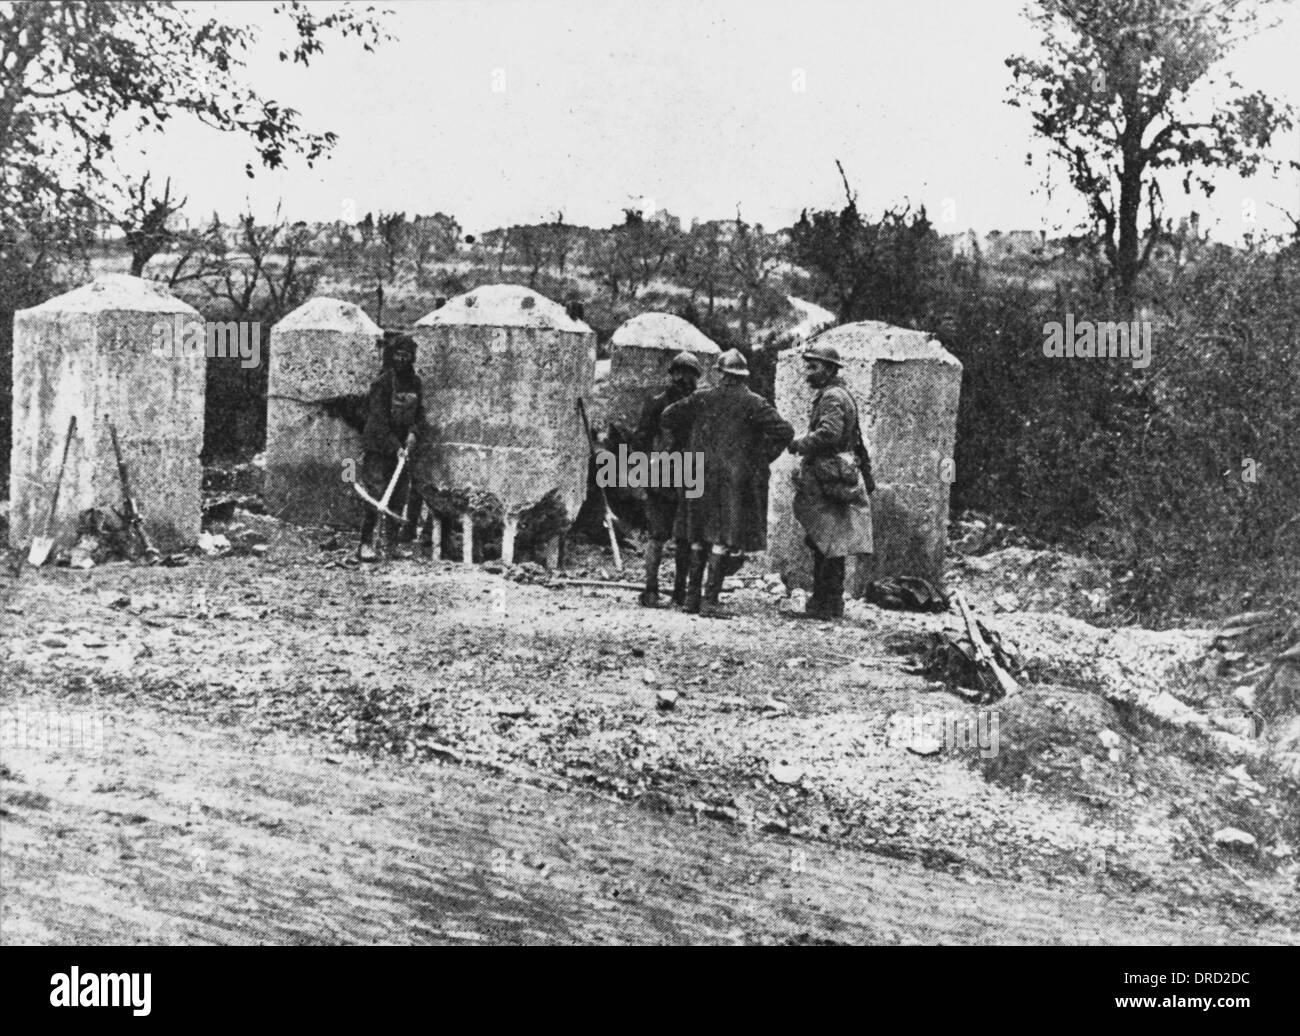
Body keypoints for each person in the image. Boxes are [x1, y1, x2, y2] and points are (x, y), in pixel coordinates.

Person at [660, 348, 793, 617]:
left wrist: (691, 442)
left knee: (697, 535)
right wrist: (761, 457)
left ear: (720, 373)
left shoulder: (701, 398)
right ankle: (710, 601)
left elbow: (667, 417)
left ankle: (691, 600)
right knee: (721, 537)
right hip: (732, 479)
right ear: (743, 376)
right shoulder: (754, 403)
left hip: (697, 473)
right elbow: (785, 431)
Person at [787, 342, 873, 619]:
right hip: (834, 474)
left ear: (828, 369)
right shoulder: (839, 394)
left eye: (813, 367)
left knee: (825, 540)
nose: (807, 373)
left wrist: (799, 444)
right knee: (829, 540)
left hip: (827, 475)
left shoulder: (832, 397)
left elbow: (829, 434)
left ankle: (825, 604)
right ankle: (827, 602)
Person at [632, 351, 703, 607]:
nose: (683, 378)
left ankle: (658, 592)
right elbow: (640, 441)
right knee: (670, 537)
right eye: (681, 373)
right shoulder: (695, 405)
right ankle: (671, 593)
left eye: (688, 374)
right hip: (676, 476)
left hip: (671, 476)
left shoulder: (661, 402)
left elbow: (640, 441)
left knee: (663, 537)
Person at [357, 331, 425, 561]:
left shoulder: (416, 383)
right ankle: (365, 544)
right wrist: (394, 445)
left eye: (406, 356)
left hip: (402, 451)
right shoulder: (382, 384)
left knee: (398, 496)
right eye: (398, 355)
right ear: (392, 356)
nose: (401, 360)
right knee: (375, 495)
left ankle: (391, 545)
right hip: (378, 446)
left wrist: (414, 433)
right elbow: (378, 419)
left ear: (412, 358)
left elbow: (420, 414)